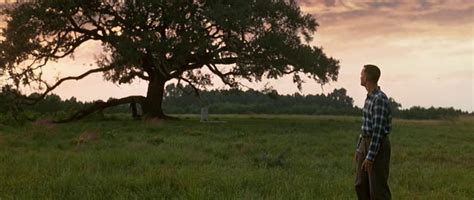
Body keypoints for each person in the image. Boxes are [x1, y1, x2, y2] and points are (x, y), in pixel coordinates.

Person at [355, 64, 392, 199]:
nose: (360, 76)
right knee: (360, 184)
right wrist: (360, 148)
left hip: (377, 145)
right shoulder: (369, 97)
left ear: (367, 77)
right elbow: (366, 125)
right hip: (365, 143)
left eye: (362, 74)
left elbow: (378, 131)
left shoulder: (379, 99)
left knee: (377, 189)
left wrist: (370, 156)